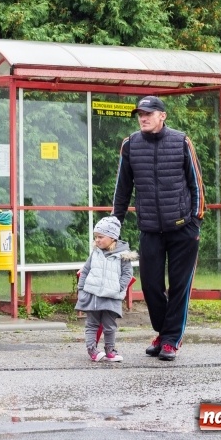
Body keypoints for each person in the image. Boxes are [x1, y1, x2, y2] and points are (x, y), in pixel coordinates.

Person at [112, 95, 205, 361]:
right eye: (140, 114)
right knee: (151, 286)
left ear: (162, 116)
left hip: (183, 228)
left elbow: (196, 184)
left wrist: (196, 219)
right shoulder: (130, 145)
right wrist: (114, 224)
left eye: (148, 113)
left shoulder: (181, 141)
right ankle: (164, 333)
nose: (143, 118)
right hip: (150, 229)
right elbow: (122, 188)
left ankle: (171, 340)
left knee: (179, 287)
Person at [75, 216, 136, 363]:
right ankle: (92, 349)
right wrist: (81, 289)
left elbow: (127, 274)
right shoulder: (95, 253)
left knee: (110, 326)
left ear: (112, 237)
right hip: (93, 296)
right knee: (92, 324)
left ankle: (110, 350)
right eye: (96, 237)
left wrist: (119, 288)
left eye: (100, 237)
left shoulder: (123, 256)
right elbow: (86, 270)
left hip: (111, 297)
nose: (97, 240)